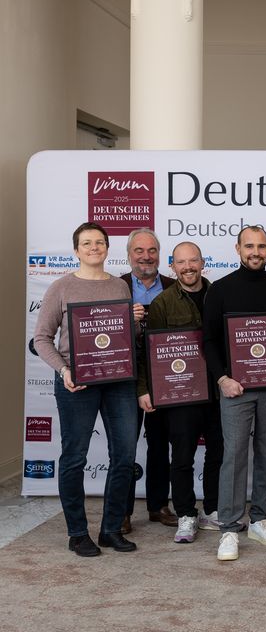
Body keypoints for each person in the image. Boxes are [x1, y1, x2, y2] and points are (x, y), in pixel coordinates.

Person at [33, 222, 143, 556]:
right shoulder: (61, 287)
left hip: (118, 381)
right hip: (77, 382)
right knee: (74, 457)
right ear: (76, 250)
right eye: (87, 243)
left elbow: (123, 338)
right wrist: (64, 369)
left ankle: (111, 529)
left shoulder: (120, 286)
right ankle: (78, 533)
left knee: (124, 456)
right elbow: (42, 339)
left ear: (107, 248)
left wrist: (135, 322)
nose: (94, 247)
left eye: (99, 242)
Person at [202, 225, 266, 561]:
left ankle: (259, 518)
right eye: (249, 246)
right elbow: (209, 340)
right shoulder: (220, 290)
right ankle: (229, 527)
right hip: (235, 388)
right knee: (233, 455)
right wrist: (222, 378)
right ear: (238, 249)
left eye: (261, 246)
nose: (255, 252)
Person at [136, 242, 224, 544]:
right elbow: (149, 352)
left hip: (218, 390)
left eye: (193, 261)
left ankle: (212, 509)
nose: (188, 267)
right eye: (181, 262)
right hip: (181, 394)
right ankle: (186, 513)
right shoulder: (162, 303)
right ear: (172, 266)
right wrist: (144, 389)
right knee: (182, 456)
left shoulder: (218, 295)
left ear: (202, 262)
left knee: (218, 453)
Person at [120, 228, 176, 531]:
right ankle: (122, 511)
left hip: (164, 376)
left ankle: (158, 505)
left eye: (152, 250)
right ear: (129, 254)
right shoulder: (115, 287)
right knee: (125, 445)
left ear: (159, 254)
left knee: (159, 443)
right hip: (125, 378)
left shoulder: (173, 286)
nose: (146, 256)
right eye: (139, 250)